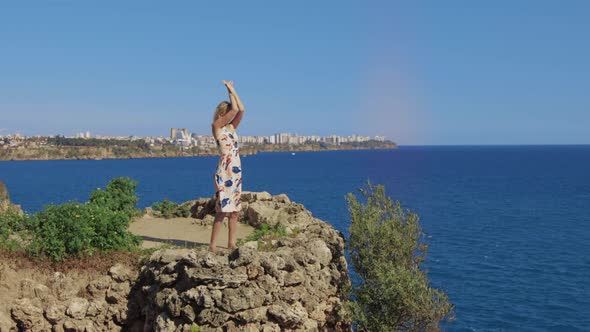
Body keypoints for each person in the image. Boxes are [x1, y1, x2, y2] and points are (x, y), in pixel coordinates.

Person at [209, 80, 245, 252]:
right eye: (226, 112)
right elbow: (236, 110)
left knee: (235, 211)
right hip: (224, 173)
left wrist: (233, 91)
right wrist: (229, 89)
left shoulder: (231, 128)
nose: (229, 115)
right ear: (221, 113)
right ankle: (213, 245)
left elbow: (241, 109)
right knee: (222, 211)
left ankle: (231, 243)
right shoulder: (216, 127)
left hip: (236, 173)